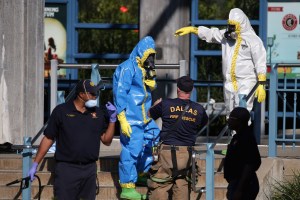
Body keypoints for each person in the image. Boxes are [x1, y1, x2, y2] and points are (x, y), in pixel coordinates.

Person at [28, 79, 117, 200]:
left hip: (89, 169)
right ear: (81, 94)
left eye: (96, 93)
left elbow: (107, 141)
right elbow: (48, 138)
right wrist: (35, 163)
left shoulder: (98, 113)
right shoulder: (61, 111)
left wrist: (112, 120)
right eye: (92, 93)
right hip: (67, 169)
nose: (95, 96)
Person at [174, 8, 267, 118]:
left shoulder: (253, 40)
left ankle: (241, 135)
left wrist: (261, 83)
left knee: (242, 113)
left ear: (241, 24)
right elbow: (211, 34)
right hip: (228, 82)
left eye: (234, 26)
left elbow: (260, 61)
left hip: (246, 82)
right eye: (230, 25)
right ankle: (234, 135)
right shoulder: (226, 37)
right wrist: (194, 30)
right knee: (230, 114)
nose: (231, 29)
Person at [113, 36, 160, 199]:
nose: (151, 59)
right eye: (149, 55)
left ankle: (140, 171)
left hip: (145, 117)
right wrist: (122, 118)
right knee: (132, 150)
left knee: (154, 139)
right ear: (141, 53)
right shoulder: (127, 68)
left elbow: (149, 89)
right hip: (131, 118)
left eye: (153, 56)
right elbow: (120, 92)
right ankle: (127, 186)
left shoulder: (144, 69)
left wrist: (150, 77)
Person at [147, 76, 208, 200]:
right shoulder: (199, 109)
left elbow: (149, 115)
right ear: (191, 90)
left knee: (159, 185)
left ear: (178, 89)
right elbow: (203, 124)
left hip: (166, 153)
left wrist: (155, 105)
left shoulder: (166, 104)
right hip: (187, 154)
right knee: (183, 185)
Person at [224, 107, 261, 200]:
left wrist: (239, 189)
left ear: (239, 121)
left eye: (231, 119)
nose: (228, 121)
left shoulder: (246, 138)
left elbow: (250, 164)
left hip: (244, 185)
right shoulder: (238, 137)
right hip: (236, 182)